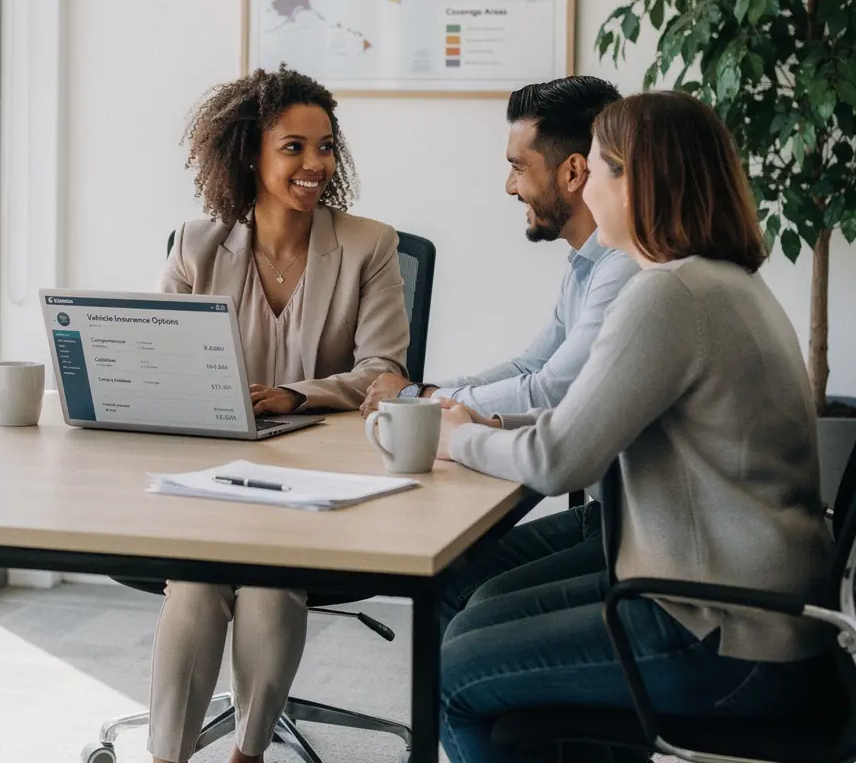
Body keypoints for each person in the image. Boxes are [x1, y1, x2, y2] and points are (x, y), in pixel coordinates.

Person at [436, 91, 837, 763]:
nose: (584, 186)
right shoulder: (716, 281)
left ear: (636, 181)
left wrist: (455, 439)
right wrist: (489, 421)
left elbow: (561, 461)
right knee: (474, 620)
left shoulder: (670, 295)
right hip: (744, 610)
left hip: (722, 634)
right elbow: (593, 412)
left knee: (458, 676)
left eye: (593, 170)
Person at [148, 65, 409, 763]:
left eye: (325, 147)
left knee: (268, 582)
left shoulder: (367, 246)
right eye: (294, 146)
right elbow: (153, 357)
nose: (316, 163)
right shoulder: (196, 245)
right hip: (208, 476)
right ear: (250, 155)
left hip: (311, 478)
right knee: (199, 584)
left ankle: (248, 754)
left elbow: (384, 371)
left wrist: (299, 395)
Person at [362, 75, 638, 625]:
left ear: (575, 172)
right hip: (623, 518)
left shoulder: (629, 271)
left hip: (640, 535)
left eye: (518, 166)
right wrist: (438, 399)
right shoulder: (589, 264)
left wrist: (431, 402)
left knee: (467, 603)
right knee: (455, 583)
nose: (509, 187)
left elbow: (555, 394)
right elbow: (531, 367)